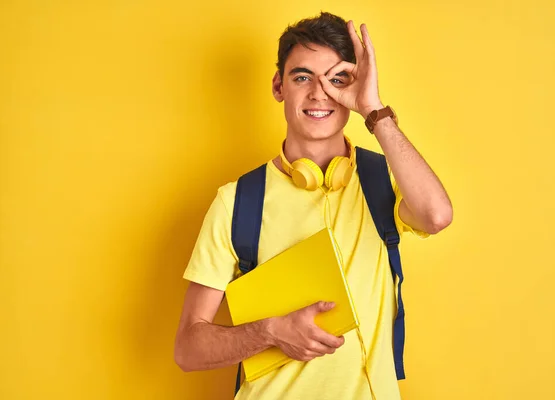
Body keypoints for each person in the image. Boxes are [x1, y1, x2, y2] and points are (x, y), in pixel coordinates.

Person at [174, 11, 452, 400]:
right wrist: (269, 331)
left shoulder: (381, 181)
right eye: (303, 77)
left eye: (338, 79)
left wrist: (373, 110)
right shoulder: (237, 202)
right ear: (278, 86)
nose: (320, 94)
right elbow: (188, 347)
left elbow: (437, 216)